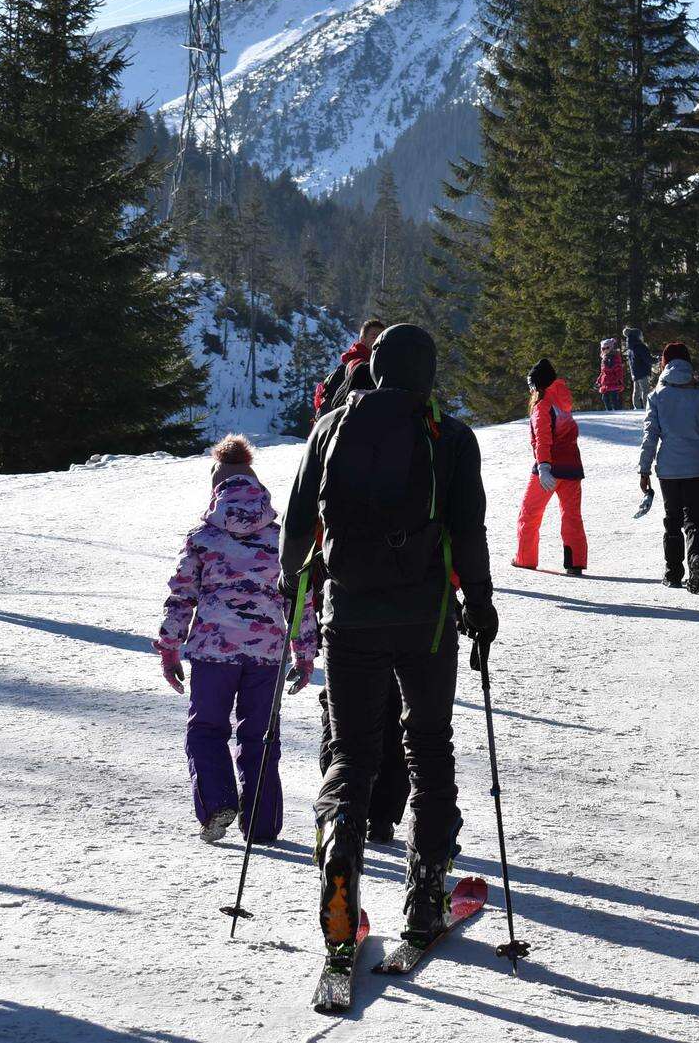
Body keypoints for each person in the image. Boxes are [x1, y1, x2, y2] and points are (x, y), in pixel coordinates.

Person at [279, 324, 497, 964]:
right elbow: (469, 531)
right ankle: (425, 901)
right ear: (428, 373)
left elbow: (297, 524)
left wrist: (297, 586)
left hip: (348, 615)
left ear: (373, 369)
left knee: (352, 751)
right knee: (428, 747)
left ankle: (339, 870)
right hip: (425, 620)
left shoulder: (330, 428)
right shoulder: (451, 438)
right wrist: (480, 606)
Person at [155, 435, 315, 844]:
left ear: (217, 489)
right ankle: (262, 825)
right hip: (267, 655)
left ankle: (217, 803)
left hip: (213, 652)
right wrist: (304, 652)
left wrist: (171, 648)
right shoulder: (281, 537)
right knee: (260, 735)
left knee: (206, 729)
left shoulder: (203, 537)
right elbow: (301, 599)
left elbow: (181, 595)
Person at [638, 342, 699, 592]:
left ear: (664, 364)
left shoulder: (656, 396)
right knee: (695, 520)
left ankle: (673, 572)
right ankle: (697, 557)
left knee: (672, 520)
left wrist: (644, 469)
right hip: (698, 467)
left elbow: (650, 434)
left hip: (669, 469)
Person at [513, 357, 587, 577]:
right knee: (572, 515)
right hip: (572, 468)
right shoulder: (563, 402)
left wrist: (544, 466)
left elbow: (543, 438)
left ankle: (525, 558)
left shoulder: (543, 405)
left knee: (530, 512)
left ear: (537, 385)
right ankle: (575, 562)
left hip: (549, 469)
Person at [315, 320, 385, 418]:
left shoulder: (375, 361)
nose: (378, 340)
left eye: (382, 337)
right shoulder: (356, 362)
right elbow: (358, 369)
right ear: (362, 339)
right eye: (374, 336)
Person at [623, 326, 656, 409]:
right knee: (645, 390)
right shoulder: (641, 347)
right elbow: (647, 359)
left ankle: (636, 407)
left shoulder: (631, 349)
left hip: (635, 373)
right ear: (637, 336)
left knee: (636, 391)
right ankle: (646, 407)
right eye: (641, 335)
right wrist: (656, 360)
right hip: (642, 372)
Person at [595, 337, 627, 411]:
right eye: (603, 348)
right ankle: (608, 411)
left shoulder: (614, 357)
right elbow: (603, 372)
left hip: (613, 382)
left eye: (607, 348)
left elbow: (618, 370)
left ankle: (617, 411)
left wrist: (619, 380)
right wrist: (598, 381)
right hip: (605, 383)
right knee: (605, 398)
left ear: (611, 348)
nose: (605, 350)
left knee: (614, 399)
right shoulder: (604, 358)